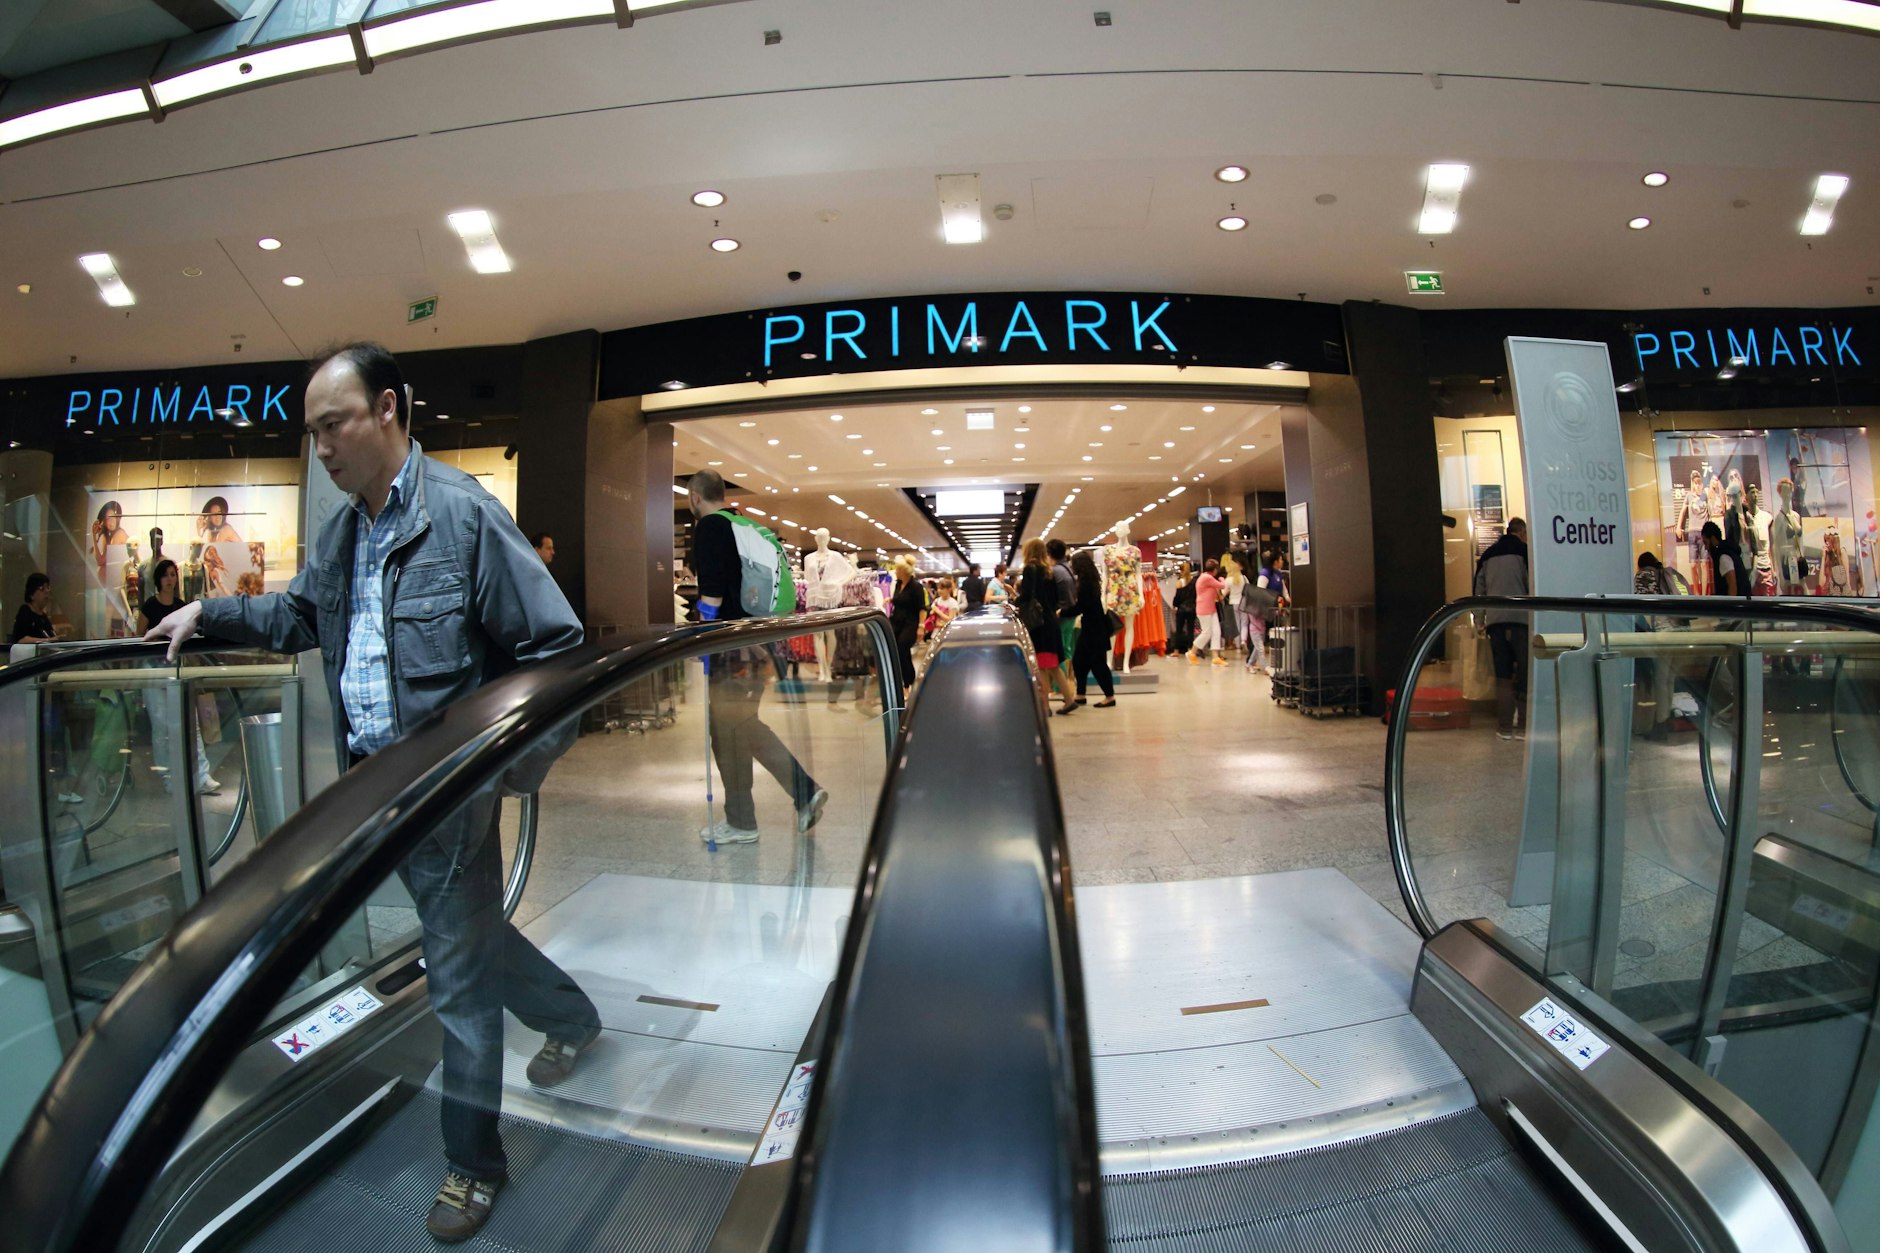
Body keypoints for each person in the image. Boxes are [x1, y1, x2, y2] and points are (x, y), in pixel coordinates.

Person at [146, 341, 599, 1243]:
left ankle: (473, 1164)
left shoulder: (462, 515)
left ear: (388, 408)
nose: (321, 448)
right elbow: (301, 614)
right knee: (460, 930)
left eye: (333, 425)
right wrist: (209, 611)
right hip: (375, 793)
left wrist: (502, 774)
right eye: (311, 432)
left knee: (456, 980)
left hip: (446, 794)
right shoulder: (346, 530)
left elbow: (557, 650)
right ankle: (571, 1014)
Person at [689, 468, 830, 848]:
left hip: (731, 648)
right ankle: (768, 807)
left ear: (695, 497)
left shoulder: (710, 527)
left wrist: (703, 638)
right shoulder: (744, 525)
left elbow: (712, 596)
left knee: (731, 729)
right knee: (736, 727)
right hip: (758, 644)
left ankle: (761, 812)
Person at [137, 558, 223, 796]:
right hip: (154, 670)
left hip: (177, 668)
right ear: (158, 579)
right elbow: (138, 637)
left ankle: (201, 776)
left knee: (191, 723)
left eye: (173, 574)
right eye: (165, 575)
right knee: (161, 727)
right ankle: (168, 777)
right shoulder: (149, 606)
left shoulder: (181, 606)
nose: (170, 579)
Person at [1472, 518, 1529, 740]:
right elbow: (1532, 585)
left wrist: (1479, 620)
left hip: (1495, 624)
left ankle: (1504, 727)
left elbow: (1479, 591)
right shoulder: (1524, 552)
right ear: (1521, 532)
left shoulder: (1487, 555)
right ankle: (1523, 726)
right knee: (1524, 673)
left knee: (1503, 676)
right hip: (1521, 622)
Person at [1018, 539, 1073, 714]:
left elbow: (1026, 596)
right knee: (1052, 665)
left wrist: (1014, 599)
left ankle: (1045, 706)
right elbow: (1054, 599)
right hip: (1050, 620)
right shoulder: (1049, 571)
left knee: (1042, 665)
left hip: (1039, 624)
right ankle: (1068, 700)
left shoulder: (1030, 569)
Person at [1068, 550, 1115, 708]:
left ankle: (1109, 696)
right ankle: (1080, 694)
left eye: (1073, 565)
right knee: (1080, 661)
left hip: (1094, 630)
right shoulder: (1089, 581)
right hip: (1093, 628)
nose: (1071, 567)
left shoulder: (1086, 584)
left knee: (1097, 664)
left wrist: (1063, 612)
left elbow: (1081, 606)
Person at [1046, 539, 1079, 690]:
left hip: (1060, 615)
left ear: (1049, 554)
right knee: (1067, 649)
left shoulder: (1055, 571)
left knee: (1058, 651)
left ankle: (1060, 686)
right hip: (1070, 614)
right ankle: (1068, 682)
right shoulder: (1068, 569)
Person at [889, 554, 923, 690]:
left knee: (903, 647)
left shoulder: (916, 587)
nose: (896, 572)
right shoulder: (898, 584)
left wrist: (921, 626)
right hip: (896, 621)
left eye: (897, 569)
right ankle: (902, 680)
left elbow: (922, 608)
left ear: (903, 571)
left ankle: (907, 682)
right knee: (895, 650)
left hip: (910, 622)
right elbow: (898, 600)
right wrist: (890, 600)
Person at [1190, 558, 1226, 666]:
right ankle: (1192, 652)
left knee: (1216, 632)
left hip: (1211, 609)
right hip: (1204, 609)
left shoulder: (1206, 577)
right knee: (1207, 633)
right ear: (1215, 569)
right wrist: (1222, 579)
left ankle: (1215, 657)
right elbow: (1222, 585)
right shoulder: (1207, 578)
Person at [1701, 519, 1751, 599]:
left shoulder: (1723, 557)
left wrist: (1729, 605)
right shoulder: (1729, 552)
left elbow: (1732, 586)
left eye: (1706, 543)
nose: (1706, 548)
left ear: (1713, 539)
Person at [11, 573, 55, 644]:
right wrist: (49, 640)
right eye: (42, 588)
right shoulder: (25, 611)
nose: (47, 591)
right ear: (31, 594)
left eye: (48, 587)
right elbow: (21, 639)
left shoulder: (43, 617)